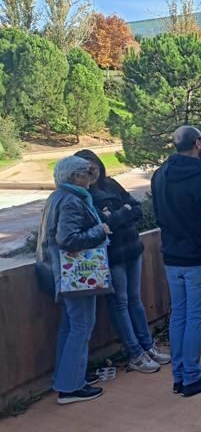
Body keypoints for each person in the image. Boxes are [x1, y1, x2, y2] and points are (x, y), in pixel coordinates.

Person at [74, 150, 170, 375]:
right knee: (120, 304)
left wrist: (118, 215)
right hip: (111, 257)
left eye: (94, 165)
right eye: (86, 168)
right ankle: (134, 353)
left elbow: (135, 208)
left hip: (132, 250)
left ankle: (147, 347)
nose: (92, 171)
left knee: (135, 300)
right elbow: (103, 223)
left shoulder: (111, 184)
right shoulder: (82, 195)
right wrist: (121, 213)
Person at [151, 126, 201, 397]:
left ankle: (180, 376)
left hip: (173, 256)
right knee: (195, 317)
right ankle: (191, 376)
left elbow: (159, 214)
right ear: (197, 143)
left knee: (179, 316)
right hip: (200, 258)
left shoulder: (160, 175)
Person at [37, 156, 112, 404]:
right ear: (74, 177)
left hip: (65, 276)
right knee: (81, 326)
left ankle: (67, 377)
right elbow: (68, 239)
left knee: (70, 326)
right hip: (77, 276)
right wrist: (98, 231)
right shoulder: (71, 200)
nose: (91, 178)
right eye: (85, 173)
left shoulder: (58, 197)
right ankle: (71, 387)